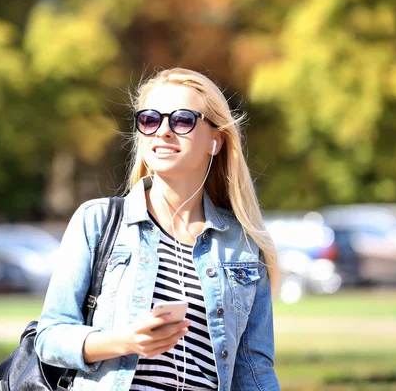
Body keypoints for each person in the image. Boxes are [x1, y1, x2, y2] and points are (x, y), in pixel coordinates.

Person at [35, 68, 280, 391]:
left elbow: (254, 371)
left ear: (215, 142)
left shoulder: (243, 246)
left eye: (182, 120)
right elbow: (50, 337)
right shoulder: (97, 221)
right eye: (150, 119)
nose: (163, 131)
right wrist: (125, 341)